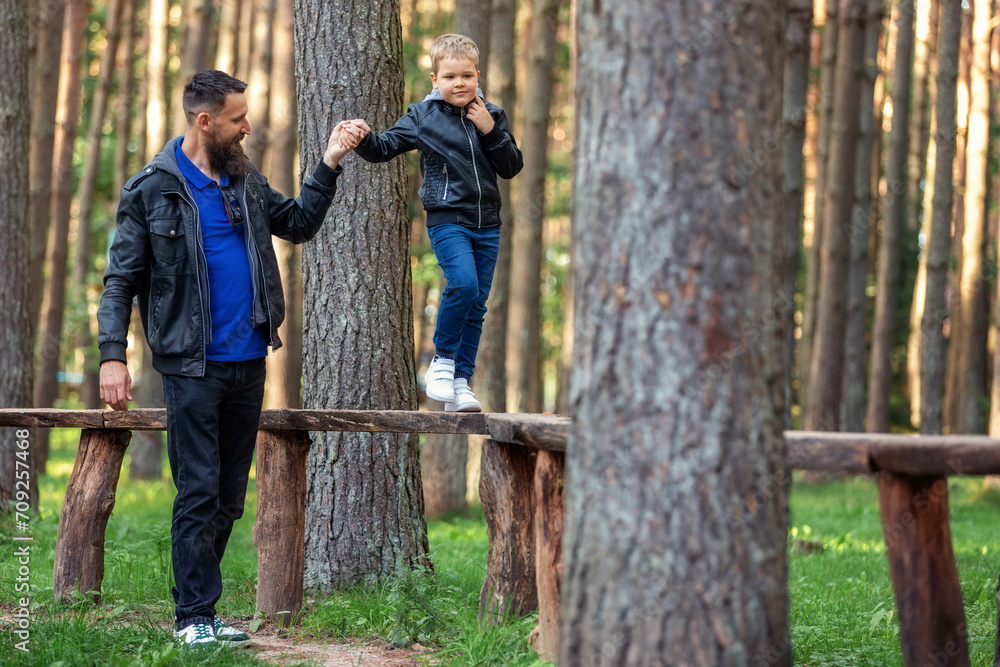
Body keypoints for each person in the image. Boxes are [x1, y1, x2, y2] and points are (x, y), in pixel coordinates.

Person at [97, 70, 362, 648]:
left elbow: (298, 223)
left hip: (249, 358)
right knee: (197, 489)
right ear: (205, 120)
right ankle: (192, 618)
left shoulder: (243, 179)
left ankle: (204, 613)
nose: (248, 127)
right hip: (190, 365)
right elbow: (120, 280)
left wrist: (330, 161)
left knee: (227, 497)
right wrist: (111, 356)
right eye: (239, 118)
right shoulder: (152, 189)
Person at [345, 33, 523, 412]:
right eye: (449, 77)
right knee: (463, 283)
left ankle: (461, 384)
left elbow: (512, 166)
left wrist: (490, 130)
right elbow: (383, 148)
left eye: (467, 76)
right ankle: (442, 362)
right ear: (434, 80)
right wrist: (362, 138)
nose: (459, 84)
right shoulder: (422, 117)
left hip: (488, 223)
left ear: (478, 76)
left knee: (477, 303)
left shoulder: (491, 115)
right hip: (448, 221)